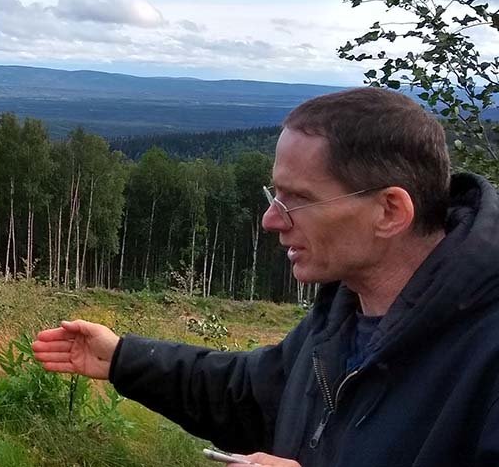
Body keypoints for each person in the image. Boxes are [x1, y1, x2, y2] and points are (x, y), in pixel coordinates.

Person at [32, 87, 499, 467]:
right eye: (273, 194)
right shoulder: (342, 316)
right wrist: (122, 357)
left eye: (296, 198)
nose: (271, 220)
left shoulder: (485, 352)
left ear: (389, 211)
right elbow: (251, 395)